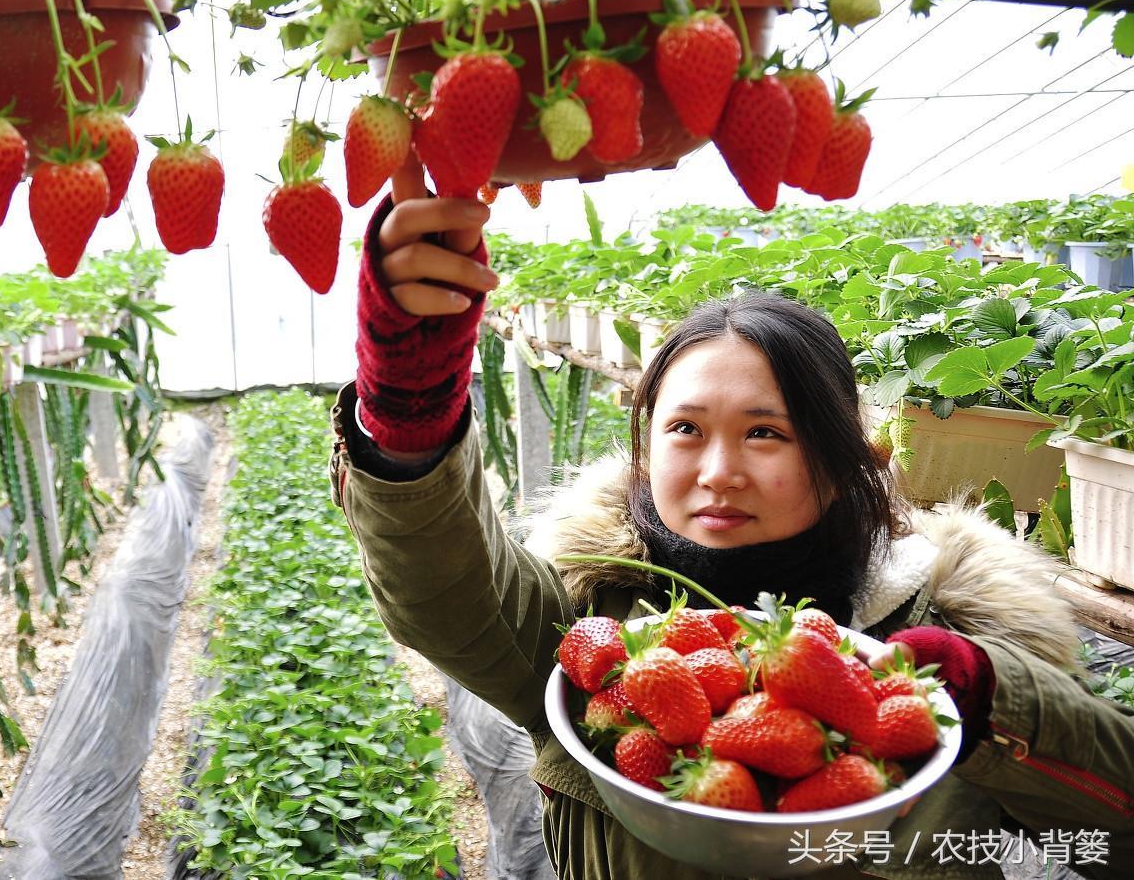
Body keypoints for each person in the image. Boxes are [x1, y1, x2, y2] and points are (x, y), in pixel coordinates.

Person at [328, 153, 1134, 880]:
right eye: (685, 428)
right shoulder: (590, 620)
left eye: (764, 432)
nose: (718, 471)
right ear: (646, 445)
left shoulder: (959, 623)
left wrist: (997, 696)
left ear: (841, 453)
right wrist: (410, 416)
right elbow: (447, 594)